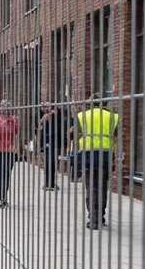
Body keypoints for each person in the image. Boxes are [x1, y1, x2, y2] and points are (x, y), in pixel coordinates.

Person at [70, 96, 119, 230]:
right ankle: (101, 216)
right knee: (102, 187)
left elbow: (73, 134)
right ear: (104, 103)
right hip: (106, 156)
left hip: (88, 156)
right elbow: (117, 135)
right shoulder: (113, 117)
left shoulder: (82, 116)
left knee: (91, 188)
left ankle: (93, 218)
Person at [38, 101, 66, 190]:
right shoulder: (44, 115)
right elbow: (40, 123)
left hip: (54, 140)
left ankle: (51, 182)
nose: (45, 109)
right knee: (49, 162)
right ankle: (48, 182)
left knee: (53, 162)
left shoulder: (57, 115)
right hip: (48, 140)